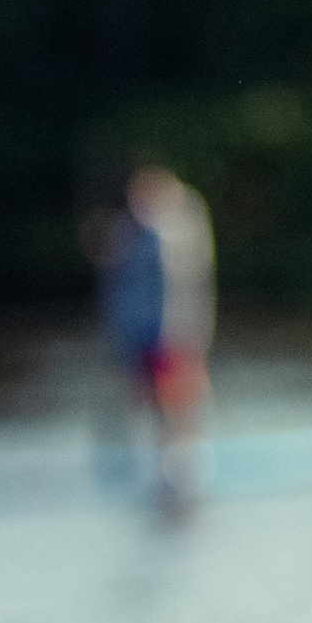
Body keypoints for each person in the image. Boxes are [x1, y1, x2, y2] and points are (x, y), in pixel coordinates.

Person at [92, 162, 216, 509]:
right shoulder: (127, 233)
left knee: (179, 404)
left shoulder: (176, 230)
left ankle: (183, 469)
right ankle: (162, 468)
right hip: (139, 336)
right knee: (150, 405)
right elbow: (116, 292)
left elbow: (183, 281)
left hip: (173, 334)